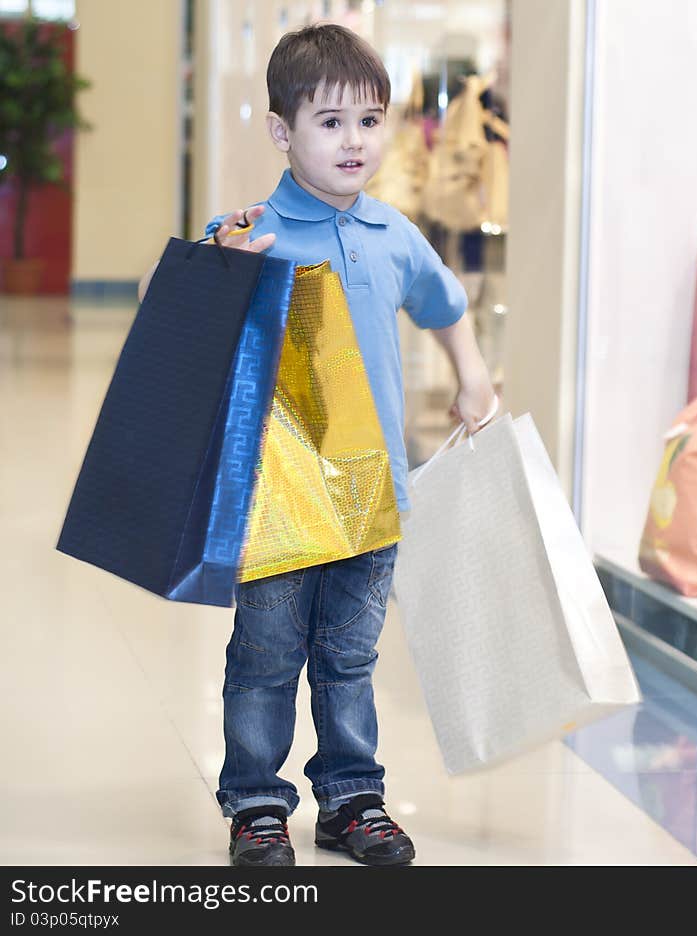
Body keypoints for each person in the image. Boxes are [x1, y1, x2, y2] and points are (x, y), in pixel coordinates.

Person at [138, 23, 497, 868]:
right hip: (278, 492)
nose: (353, 141)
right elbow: (165, 305)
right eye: (329, 122)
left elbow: (445, 304)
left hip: (373, 492)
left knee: (350, 655)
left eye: (369, 121)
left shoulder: (392, 233)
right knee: (265, 654)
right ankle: (256, 804)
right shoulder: (248, 229)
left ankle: (351, 798)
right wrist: (221, 269)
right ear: (281, 131)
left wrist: (473, 376)